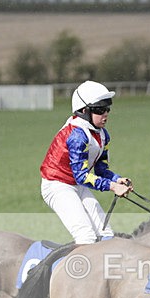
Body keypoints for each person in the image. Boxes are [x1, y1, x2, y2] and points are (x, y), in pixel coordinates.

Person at [40, 80, 132, 244]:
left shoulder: (103, 135)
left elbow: (101, 170)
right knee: (86, 236)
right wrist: (112, 186)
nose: (105, 114)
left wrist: (117, 179)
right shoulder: (77, 136)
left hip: (77, 183)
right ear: (84, 111)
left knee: (106, 233)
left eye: (107, 109)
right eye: (100, 110)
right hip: (57, 185)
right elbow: (82, 176)